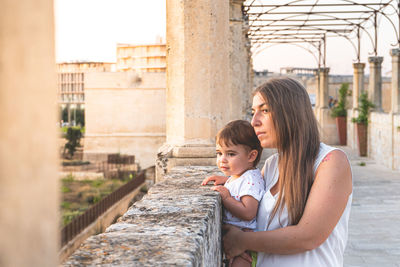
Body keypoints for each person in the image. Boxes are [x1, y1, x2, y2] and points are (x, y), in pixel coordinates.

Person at [202, 78, 353, 266]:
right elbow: (250, 195)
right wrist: (231, 181)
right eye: (253, 112)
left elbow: (308, 236)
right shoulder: (272, 165)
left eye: (264, 111)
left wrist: (242, 241)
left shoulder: (330, 161)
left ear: (290, 113)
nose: (254, 122)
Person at [201, 120, 265, 267]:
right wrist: (226, 180)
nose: (222, 159)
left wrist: (227, 198)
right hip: (235, 237)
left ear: (251, 156)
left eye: (230, 154)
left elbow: (248, 212)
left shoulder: (251, 179)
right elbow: (239, 183)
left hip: (245, 244)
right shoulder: (241, 176)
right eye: (219, 153)